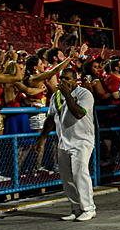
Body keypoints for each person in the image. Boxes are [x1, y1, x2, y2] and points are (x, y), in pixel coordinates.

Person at [35, 67, 96, 221]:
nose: (63, 81)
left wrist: (68, 95)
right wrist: (42, 137)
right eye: (61, 78)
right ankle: (76, 208)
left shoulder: (84, 94)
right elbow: (51, 117)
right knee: (66, 177)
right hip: (64, 141)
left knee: (80, 173)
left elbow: (79, 113)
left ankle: (88, 208)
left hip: (82, 141)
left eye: (67, 78)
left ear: (75, 80)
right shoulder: (56, 96)